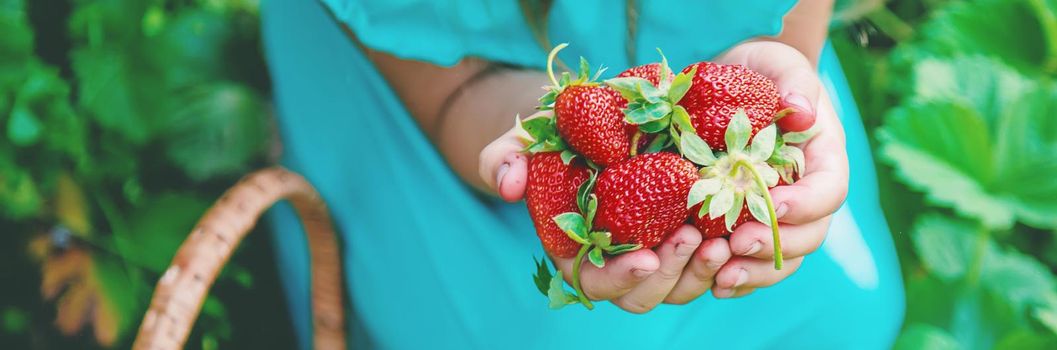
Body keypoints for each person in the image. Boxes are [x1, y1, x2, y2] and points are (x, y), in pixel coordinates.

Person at [261, 0, 905, 348]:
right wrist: (558, 134)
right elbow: (458, 93)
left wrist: (782, 64)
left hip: (715, 121)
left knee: (840, 313)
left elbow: (787, 22)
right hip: (455, 99)